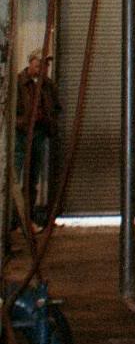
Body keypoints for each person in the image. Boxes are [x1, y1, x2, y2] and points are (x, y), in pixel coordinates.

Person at [15, 51, 59, 228]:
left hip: (39, 133)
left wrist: (49, 120)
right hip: (21, 134)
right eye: (39, 64)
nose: (42, 68)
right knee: (15, 175)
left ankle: (28, 217)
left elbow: (56, 107)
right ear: (31, 63)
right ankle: (13, 218)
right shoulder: (18, 82)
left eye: (45, 65)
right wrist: (21, 123)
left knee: (32, 177)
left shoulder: (48, 85)